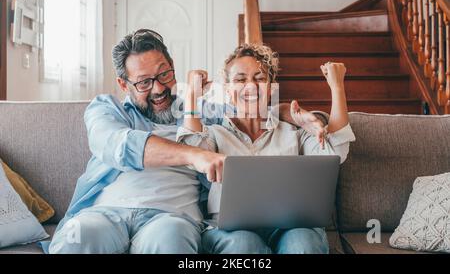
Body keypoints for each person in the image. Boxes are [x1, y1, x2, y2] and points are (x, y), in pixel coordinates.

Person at [44, 29, 328, 254]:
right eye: (144, 82)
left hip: (172, 217)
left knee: (171, 240)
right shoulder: (108, 110)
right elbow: (117, 143)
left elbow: (248, 109)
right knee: (76, 238)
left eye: (165, 74)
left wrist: (297, 115)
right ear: (123, 85)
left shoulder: (204, 114)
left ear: (173, 67)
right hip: (105, 212)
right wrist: (194, 155)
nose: (158, 89)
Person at [177, 43, 356, 254]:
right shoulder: (216, 134)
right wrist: (191, 95)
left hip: (291, 226)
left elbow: (335, 152)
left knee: (303, 244)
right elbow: (191, 151)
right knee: (243, 246)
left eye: (259, 78)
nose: (251, 86)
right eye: (240, 79)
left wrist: (337, 87)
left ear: (271, 88)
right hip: (232, 231)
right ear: (228, 90)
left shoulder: (293, 131)